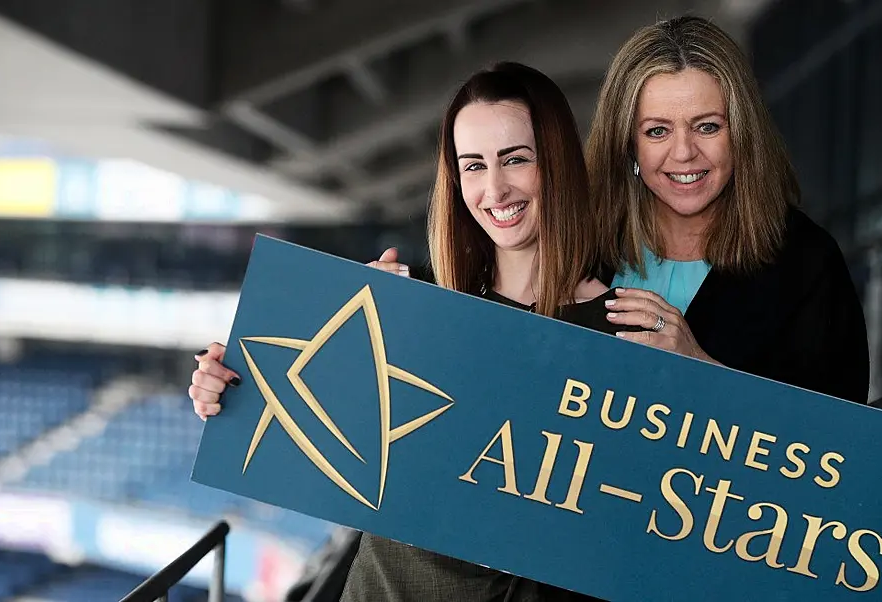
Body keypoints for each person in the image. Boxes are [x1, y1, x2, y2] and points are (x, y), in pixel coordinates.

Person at [189, 61, 625, 601]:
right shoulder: (411, 308)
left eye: (516, 159)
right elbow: (315, 431)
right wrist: (232, 387)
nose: (494, 188)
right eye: (472, 166)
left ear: (557, 163)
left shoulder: (623, 331)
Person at [374, 16, 870, 405]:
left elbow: (838, 449)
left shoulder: (805, 263)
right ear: (627, 141)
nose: (683, 154)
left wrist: (703, 368)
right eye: (657, 131)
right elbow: (484, 296)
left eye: (707, 127)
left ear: (742, 132)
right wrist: (393, 305)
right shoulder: (578, 233)